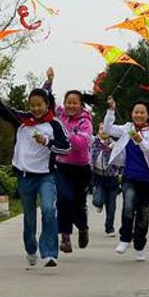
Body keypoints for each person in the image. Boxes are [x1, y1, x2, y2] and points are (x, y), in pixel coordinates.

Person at [0, 73, 70, 267]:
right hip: (24, 176)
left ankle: (49, 253)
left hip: (46, 176)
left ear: (47, 105)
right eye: (32, 105)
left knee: (48, 210)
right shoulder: (22, 120)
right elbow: (2, 109)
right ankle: (31, 249)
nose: (36, 109)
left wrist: (47, 142)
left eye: (39, 105)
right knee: (29, 217)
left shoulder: (55, 124)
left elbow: (66, 147)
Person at [104, 96, 149, 262]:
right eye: (136, 112)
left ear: (148, 115)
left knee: (143, 215)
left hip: (148, 179)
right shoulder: (127, 128)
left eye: (142, 112)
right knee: (128, 206)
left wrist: (140, 141)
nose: (138, 115)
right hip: (130, 176)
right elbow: (108, 129)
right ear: (132, 114)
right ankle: (124, 239)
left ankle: (139, 246)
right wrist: (111, 110)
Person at [44, 67, 93, 254]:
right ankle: (65, 237)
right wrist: (49, 82)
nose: (71, 106)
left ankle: (83, 228)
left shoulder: (85, 122)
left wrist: (66, 133)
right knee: (63, 199)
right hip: (62, 167)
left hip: (81, 169)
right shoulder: (61, 115)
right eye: (68, 102)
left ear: (81, 105)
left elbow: (82, 143)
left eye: (75, 103)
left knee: (78, 204)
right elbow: (46, 102)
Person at [90, 123, 122, 237]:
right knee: (98, 200)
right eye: (101, 129)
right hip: (98, 176)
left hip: (112, 178)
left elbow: (121, 159)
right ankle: (98, 203)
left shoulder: (115, 144)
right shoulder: (93, 141)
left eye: (106, 129)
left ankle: (109, 228)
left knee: (111, 206)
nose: (103, 131)